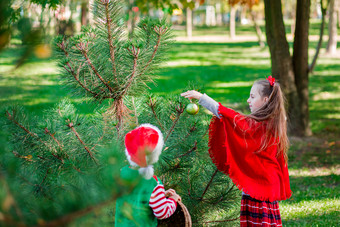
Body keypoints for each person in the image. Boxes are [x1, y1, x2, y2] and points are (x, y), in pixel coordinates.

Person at [181, 76, 291, 226]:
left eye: (252, 96)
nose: (248, 100)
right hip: (264, 187)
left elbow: (232, 118)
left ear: (266, 100)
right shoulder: (275, 121)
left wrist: (202, 98)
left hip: (259, 189)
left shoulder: (259, 126)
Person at [115, 124, 181, 226]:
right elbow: (162, 212)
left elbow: (137, 196)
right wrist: (173, 199)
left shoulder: (122, 172)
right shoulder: (153, 183)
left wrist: (161, 196)